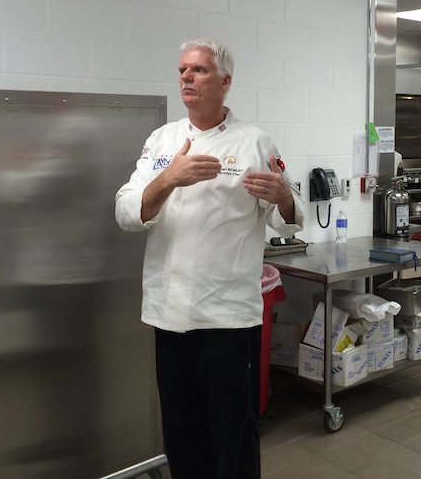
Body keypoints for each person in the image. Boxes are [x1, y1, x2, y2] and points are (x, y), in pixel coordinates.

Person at [115, 38, 304, 478]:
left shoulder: (255, 142)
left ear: (225, 82)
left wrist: (284, 197)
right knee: (182, 432)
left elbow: (289, 220)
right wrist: (167, 180)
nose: (186, 77)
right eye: (183, 70)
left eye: (198, 70)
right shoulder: (162, 140)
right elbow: (126, 212)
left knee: (232, 435)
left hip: (227, 318)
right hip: (169, 311)